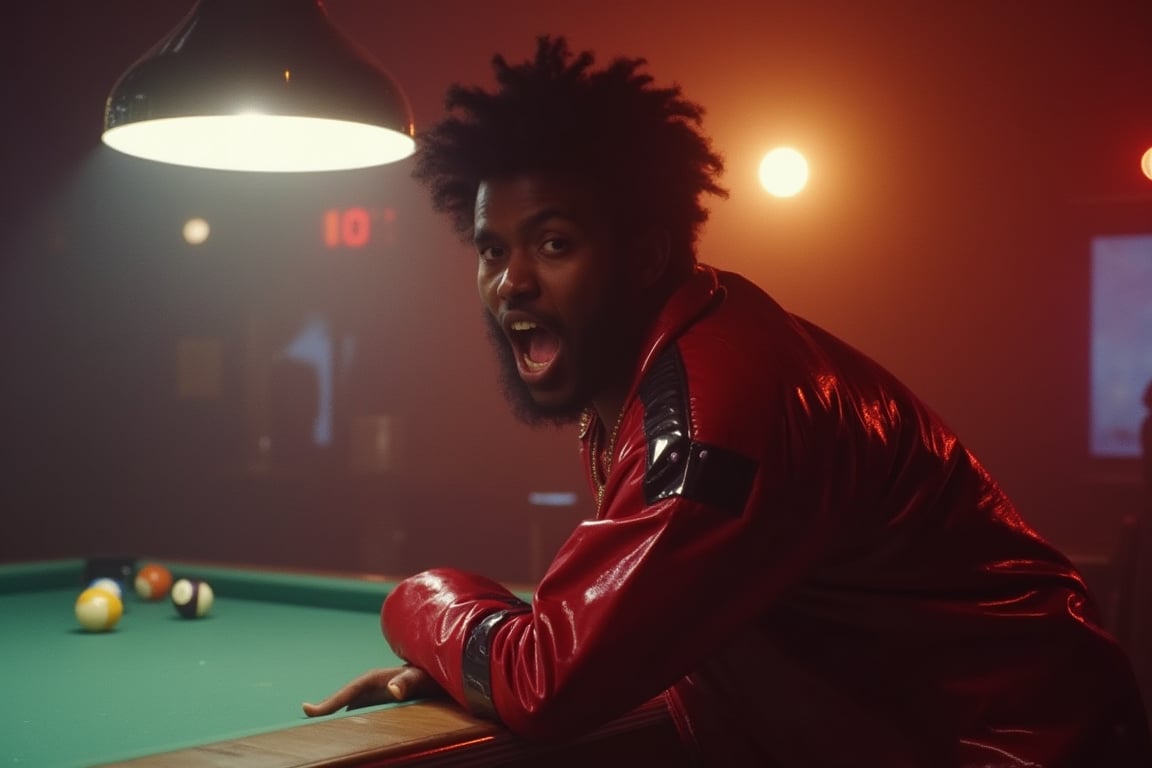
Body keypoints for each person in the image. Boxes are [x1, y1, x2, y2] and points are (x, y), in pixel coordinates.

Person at [303, 36, 1152, 766]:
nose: (512, 282)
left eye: (554, 244)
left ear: (641, 255)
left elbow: (546, 682)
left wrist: (421, 601)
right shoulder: (670, 366)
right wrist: (470, 672)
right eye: (493, 250)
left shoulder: (707, 417)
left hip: (1024, 746)